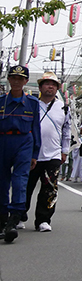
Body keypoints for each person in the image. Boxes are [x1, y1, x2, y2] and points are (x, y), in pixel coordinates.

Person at [25, 71, 70, 233]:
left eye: (53, 85)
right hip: (31, 154)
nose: (50, 87)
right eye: (46, 84)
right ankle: (19, 215)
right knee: (26, 187)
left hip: (53, 154)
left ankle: (43, 220)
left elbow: (67, 130)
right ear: (40, 87)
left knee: (49, 188)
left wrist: (65, 150)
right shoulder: (31, 104)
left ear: (57, 88)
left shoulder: (63, 107)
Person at [0, 65, 41, 243]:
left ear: (26, 81)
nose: (16, 82)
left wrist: (35, 154)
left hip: (24, 142)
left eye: (20, 79)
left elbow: (36, 129)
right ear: (9, 80)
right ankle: (2, 218)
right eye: (13, 78)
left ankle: (14, 219)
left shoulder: (32, 103)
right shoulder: (1, 102)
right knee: (2, 182)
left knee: (19, 181)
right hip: (3, 141)